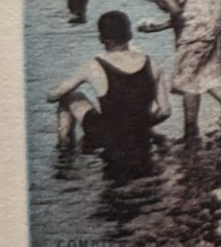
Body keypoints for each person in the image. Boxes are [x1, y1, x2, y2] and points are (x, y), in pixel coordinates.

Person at [110, 0, 221, 137]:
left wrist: (157, 27)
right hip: (215, 14)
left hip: (199, 21)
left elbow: (175, 10)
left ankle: (190, 130)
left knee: (186, 78)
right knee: (204, 69)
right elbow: (182, 5)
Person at [47, 10, 171, 161]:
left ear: (101, 38)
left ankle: (64, 149)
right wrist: (139, 125)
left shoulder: (94, 65)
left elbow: (53, 96)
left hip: (106, 136)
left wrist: (50, 90)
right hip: (139, 134)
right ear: (129, 35)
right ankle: (142, 134)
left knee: (71, 96)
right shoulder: (152, 63)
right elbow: (165, 111)